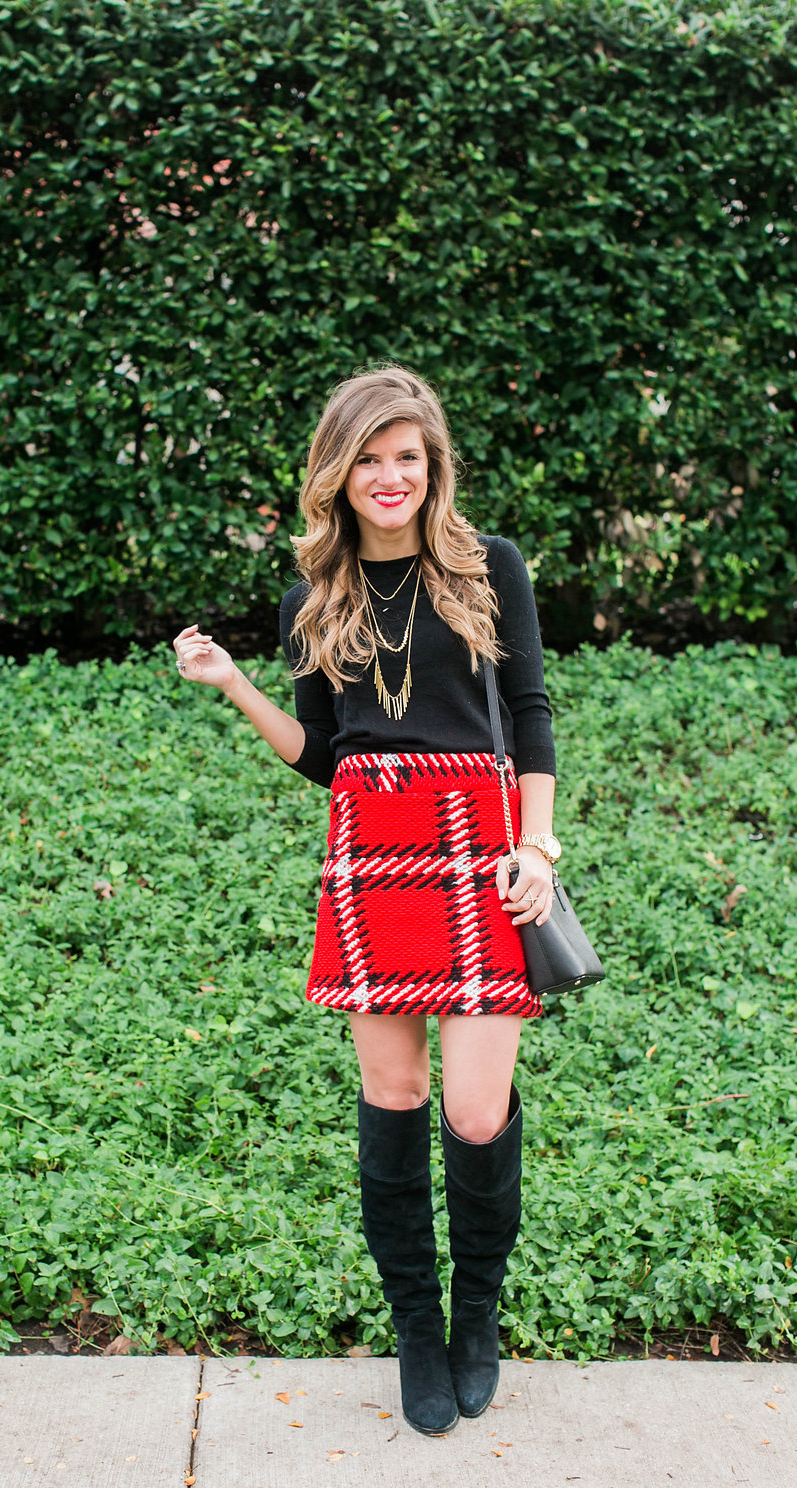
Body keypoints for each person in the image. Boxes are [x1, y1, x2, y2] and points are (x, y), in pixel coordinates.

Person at [172, 366, 559, 1436]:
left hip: (481, 852)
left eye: (408, 457)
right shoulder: (311, 597)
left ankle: (475, 1314)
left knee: (475, 1112)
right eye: (369, 459)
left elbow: (527, 716)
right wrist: (236, 686)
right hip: (371, 848)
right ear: (337, 473)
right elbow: (319, 756)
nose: (389, 477)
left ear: (431, 467)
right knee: (392, 1103)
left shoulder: (490, 570)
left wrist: (539, 845)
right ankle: (417, 1333)